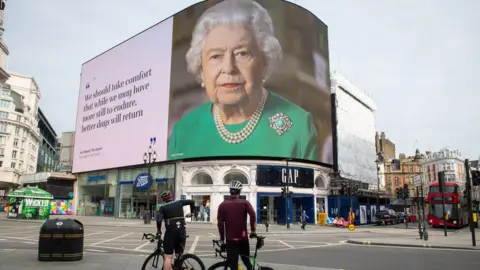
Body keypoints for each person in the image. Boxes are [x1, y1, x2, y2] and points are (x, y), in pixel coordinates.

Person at [168, 0, 320, 162]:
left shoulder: (299, 126)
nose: (228, 67)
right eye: (216, 56)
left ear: (264, 63)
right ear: (201, 69)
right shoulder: (183, 132)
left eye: (242, 54)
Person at [217, 180, 256, 270]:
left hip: (230, 240)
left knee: (233, 265)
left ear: (230, 191)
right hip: (243, 238)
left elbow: (220, 223)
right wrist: (253, 230)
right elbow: (253, 215)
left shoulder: (222, 205)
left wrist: (222, 239)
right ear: (239, 191)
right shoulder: (245, 203)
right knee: (246, 261)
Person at [156, 191, 195, 270]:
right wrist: (192, 213)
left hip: (170, 233)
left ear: (163, 199)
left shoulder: (163, 207)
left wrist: (159, 230)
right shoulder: (179, 202)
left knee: (168, 257)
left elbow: (159, 220)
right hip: (181, 232)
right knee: (178, 255)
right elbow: (192, 201)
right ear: (171, 196)